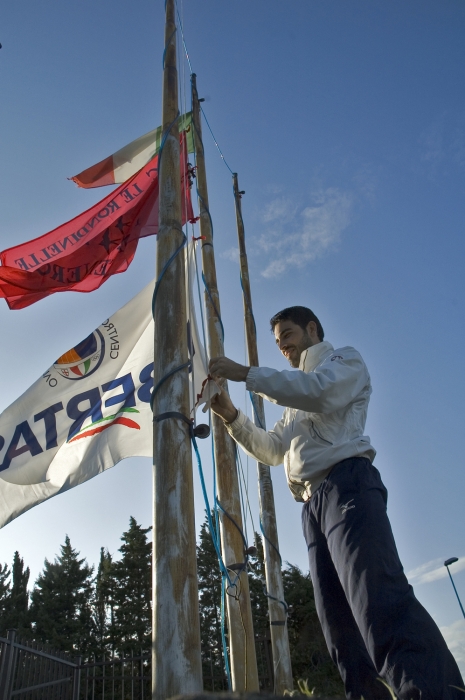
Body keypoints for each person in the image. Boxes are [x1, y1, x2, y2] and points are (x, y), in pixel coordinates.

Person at [209, 305, 464, 700]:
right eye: (278, 343)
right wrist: (230, 416)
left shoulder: (344, 360)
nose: (284, 348)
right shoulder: (293, 397)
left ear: (312, 329)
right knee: (338, 625)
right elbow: (275, 449)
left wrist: (246, 374)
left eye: (288, 336)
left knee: (375, 597)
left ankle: (434, 692)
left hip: (347, 484)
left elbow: (322, 394)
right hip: (311, 507)